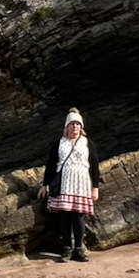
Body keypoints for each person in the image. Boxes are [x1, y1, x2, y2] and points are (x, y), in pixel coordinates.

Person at [37, 107, 102, 262]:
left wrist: (95, 187)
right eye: (72, 124)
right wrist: (45, 184)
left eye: (78, 124)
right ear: (67, 127)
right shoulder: (59, 143)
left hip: (81, 183)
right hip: (64, 183)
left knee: (78, 216)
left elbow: (94, 166)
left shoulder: (87, 143)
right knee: (65, 216)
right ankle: (66, 249)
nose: (75, 127)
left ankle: (79, 249)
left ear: (81, 127)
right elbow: (51, 165)